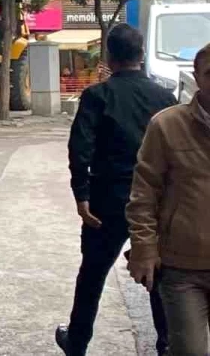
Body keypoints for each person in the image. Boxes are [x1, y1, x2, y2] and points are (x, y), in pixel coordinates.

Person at [55, 24, 174, 356]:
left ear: (109, 57)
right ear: (142, 55)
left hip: (108, 199)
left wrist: (82, 195)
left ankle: (77, 342)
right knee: (159, 277)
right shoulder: (165, 98)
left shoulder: (97, 96)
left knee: (92, 273)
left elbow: (80, 148)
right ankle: (166, 344)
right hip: (156, 203)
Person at [127, 42, 210, 356]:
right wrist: (144, 249)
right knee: (189, 350)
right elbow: (143, 193)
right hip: (182, 267)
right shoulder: (167, 125)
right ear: (197, 77)